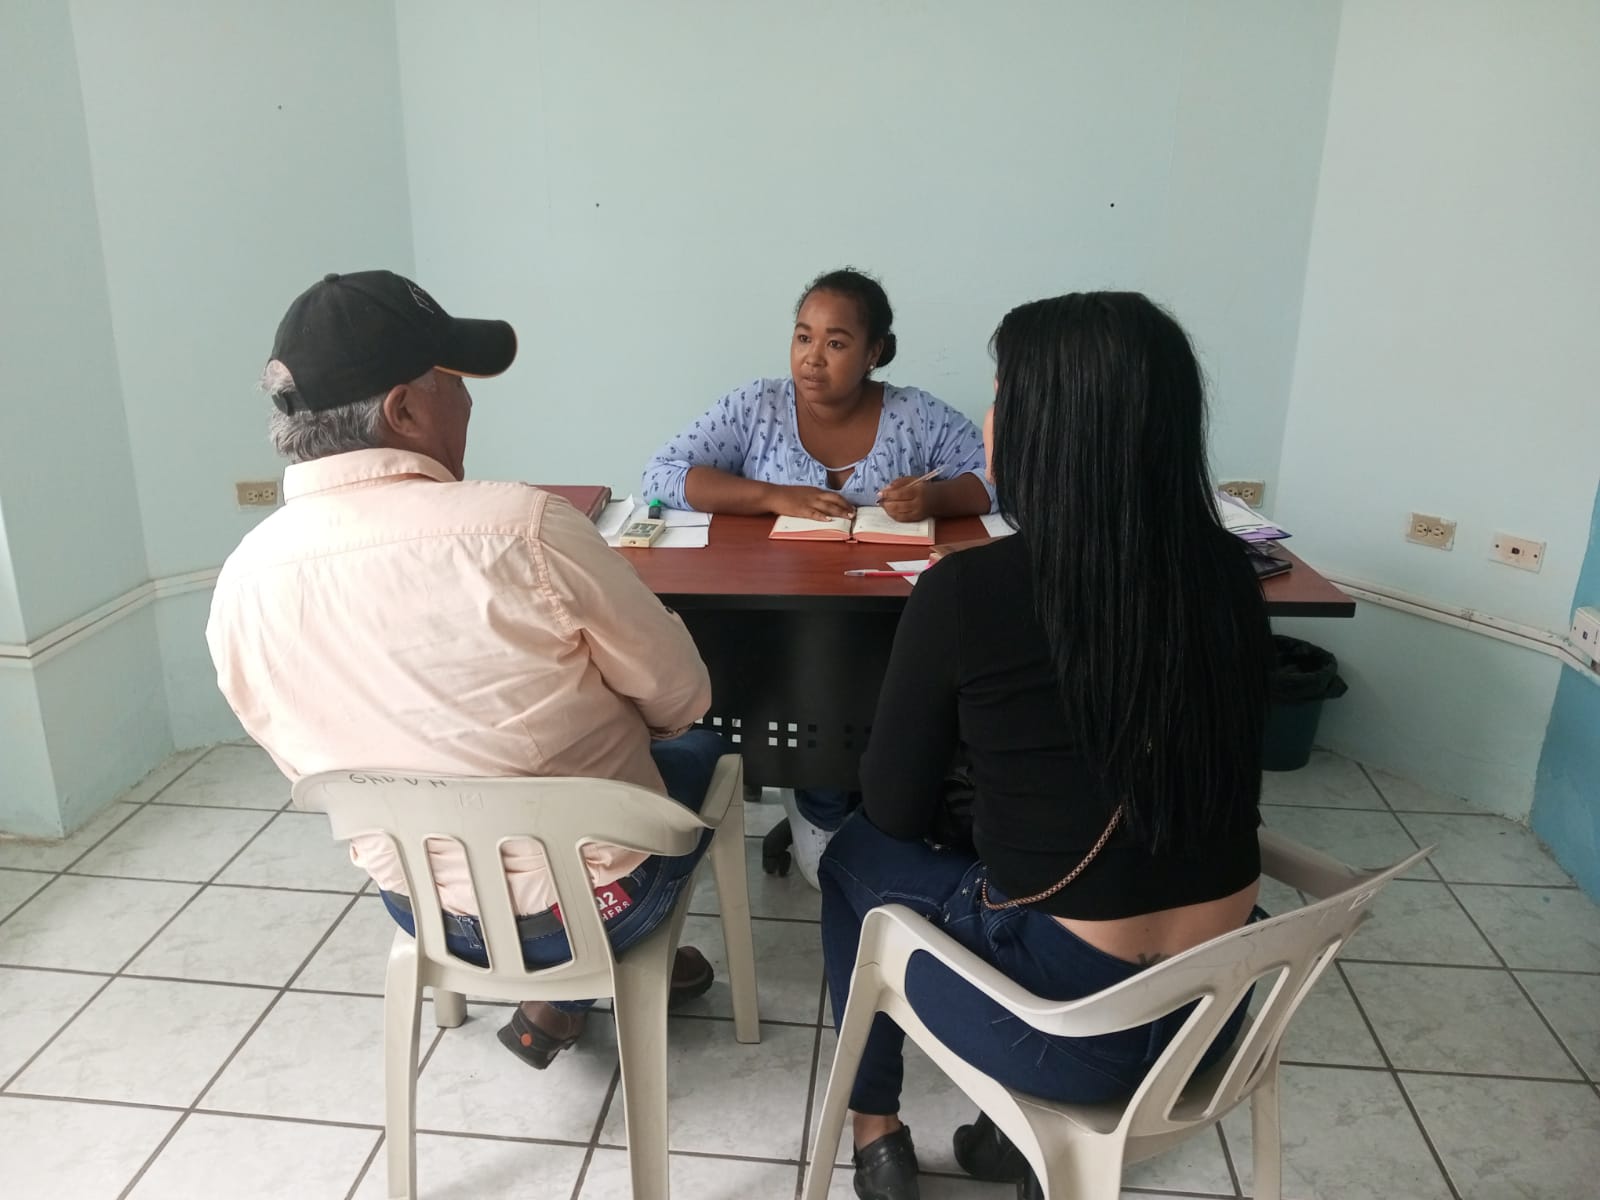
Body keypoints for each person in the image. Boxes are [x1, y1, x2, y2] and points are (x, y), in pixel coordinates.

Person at [207, 269, 726, 1072]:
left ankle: (563, 996)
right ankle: (585, 976)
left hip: (424, 911)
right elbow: (683, 698)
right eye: (452, 381)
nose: (469, 401)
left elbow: (309, 768)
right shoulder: (524, 528)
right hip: (596, 905)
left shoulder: (240, 583)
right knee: (700, 749)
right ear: (404, 411)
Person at [818, 292, 1274, 1200]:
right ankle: (1016, 1141)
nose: (988, 416)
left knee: (853, 858)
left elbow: (895, 807)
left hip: (1069, 1034)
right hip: (1217, 1018)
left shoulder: (969, 591)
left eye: (1000, 394)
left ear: (1046, 427)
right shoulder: (1232, 573)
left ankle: (877, 1130)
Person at [640, 268, 995, 885]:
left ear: (874, 351)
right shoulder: (757, 406)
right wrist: (771, 495)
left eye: (836, 343)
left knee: (883, 698)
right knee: (811, 689)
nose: (812, 358)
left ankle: (862, 798)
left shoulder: (912, 414)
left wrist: (934, 499)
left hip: (884, 622)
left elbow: (995, 475)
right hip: (778, 626)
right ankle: (815, 801)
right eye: (803, 337)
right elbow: (662, 475)